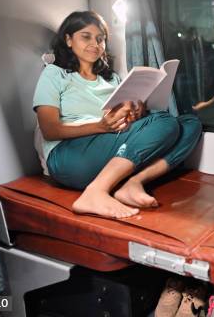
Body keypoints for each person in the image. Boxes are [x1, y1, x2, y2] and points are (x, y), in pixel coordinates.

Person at [33, 11, 202, 219]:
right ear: (68, 40)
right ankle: (95, 192)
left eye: (100, 39)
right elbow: (50, 130)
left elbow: (118, 120)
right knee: (165, 121)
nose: (95, 43)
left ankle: (133, 182)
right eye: (86, 36)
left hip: (108, 142)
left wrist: (137, 114)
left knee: (190, 123)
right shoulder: (54, 74)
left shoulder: (112, 78)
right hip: (69, 155)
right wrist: (101, 126)